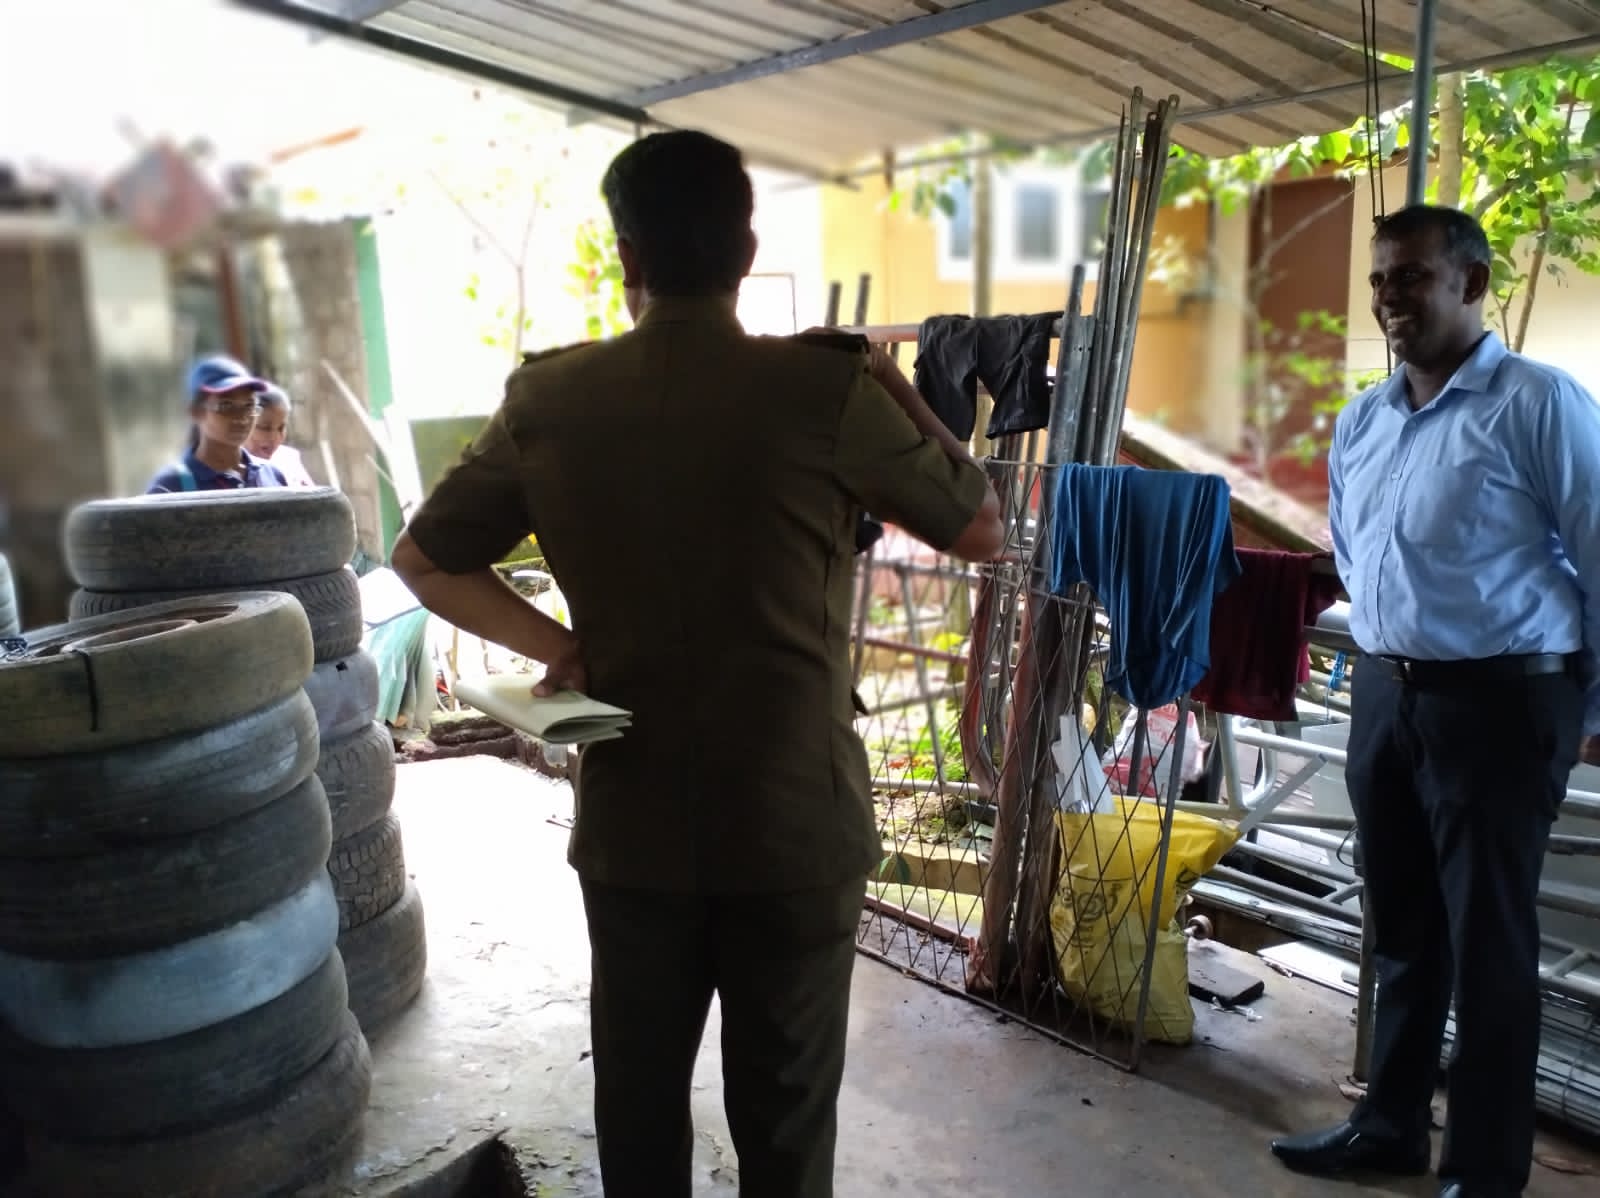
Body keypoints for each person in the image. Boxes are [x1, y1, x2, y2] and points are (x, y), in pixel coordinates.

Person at [392, 129, 1003, 1198]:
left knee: (635, 1105)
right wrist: (890, 382)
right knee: (785, 1116)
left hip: (635, 826)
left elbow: (423, 559)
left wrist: (563, 645)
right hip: (793, 826)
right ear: (744, 242)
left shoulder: (550, 400)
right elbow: (982, 527)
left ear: (625, 256)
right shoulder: (823, 391)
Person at [1271, 203, 1600, 1198]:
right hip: (1387, 695)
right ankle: (1390, 1125)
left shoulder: (1538, 403)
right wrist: (1381, 662)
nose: (1387, 298)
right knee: (1404, 926)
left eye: (1409, 276)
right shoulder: (1365, 418)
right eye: (1378, 279)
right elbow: (1353, 548)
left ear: (1469, 282)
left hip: (1500, 708)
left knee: (1488, 942)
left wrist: (1590, 715)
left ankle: (1486, 1168)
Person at [147, 355, 288, 493]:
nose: (242, 418)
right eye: (226, 406)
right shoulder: (171, 487)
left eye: (249, 405)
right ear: (196, 412)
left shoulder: (271, 475)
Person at [247, 382, 319, 487]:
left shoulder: (288, 460)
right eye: (265, 428)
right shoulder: (232, 469)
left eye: (281, 428)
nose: (274, 438)